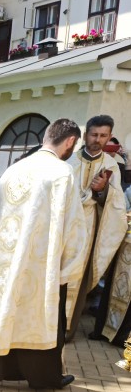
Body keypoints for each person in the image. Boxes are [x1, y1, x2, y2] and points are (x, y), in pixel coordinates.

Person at [0, 119, 88, 391]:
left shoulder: (15, 168)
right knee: (37, 318)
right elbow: (73, 225)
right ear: (70, 142)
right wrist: (68, 267)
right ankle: (45, 378)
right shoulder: (62, 173)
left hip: (1, 260)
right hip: (37, 265)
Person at [65, 115, 125, 341]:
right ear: (84, 135)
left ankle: (67, 330)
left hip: (90, 229)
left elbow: (117, 203)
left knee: (79, 278)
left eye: (103, 136)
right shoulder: (69, 162)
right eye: (93, 134)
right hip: (66, 227)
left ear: (109, 137)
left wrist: (102, 192)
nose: (97, 139)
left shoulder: (111, 167)